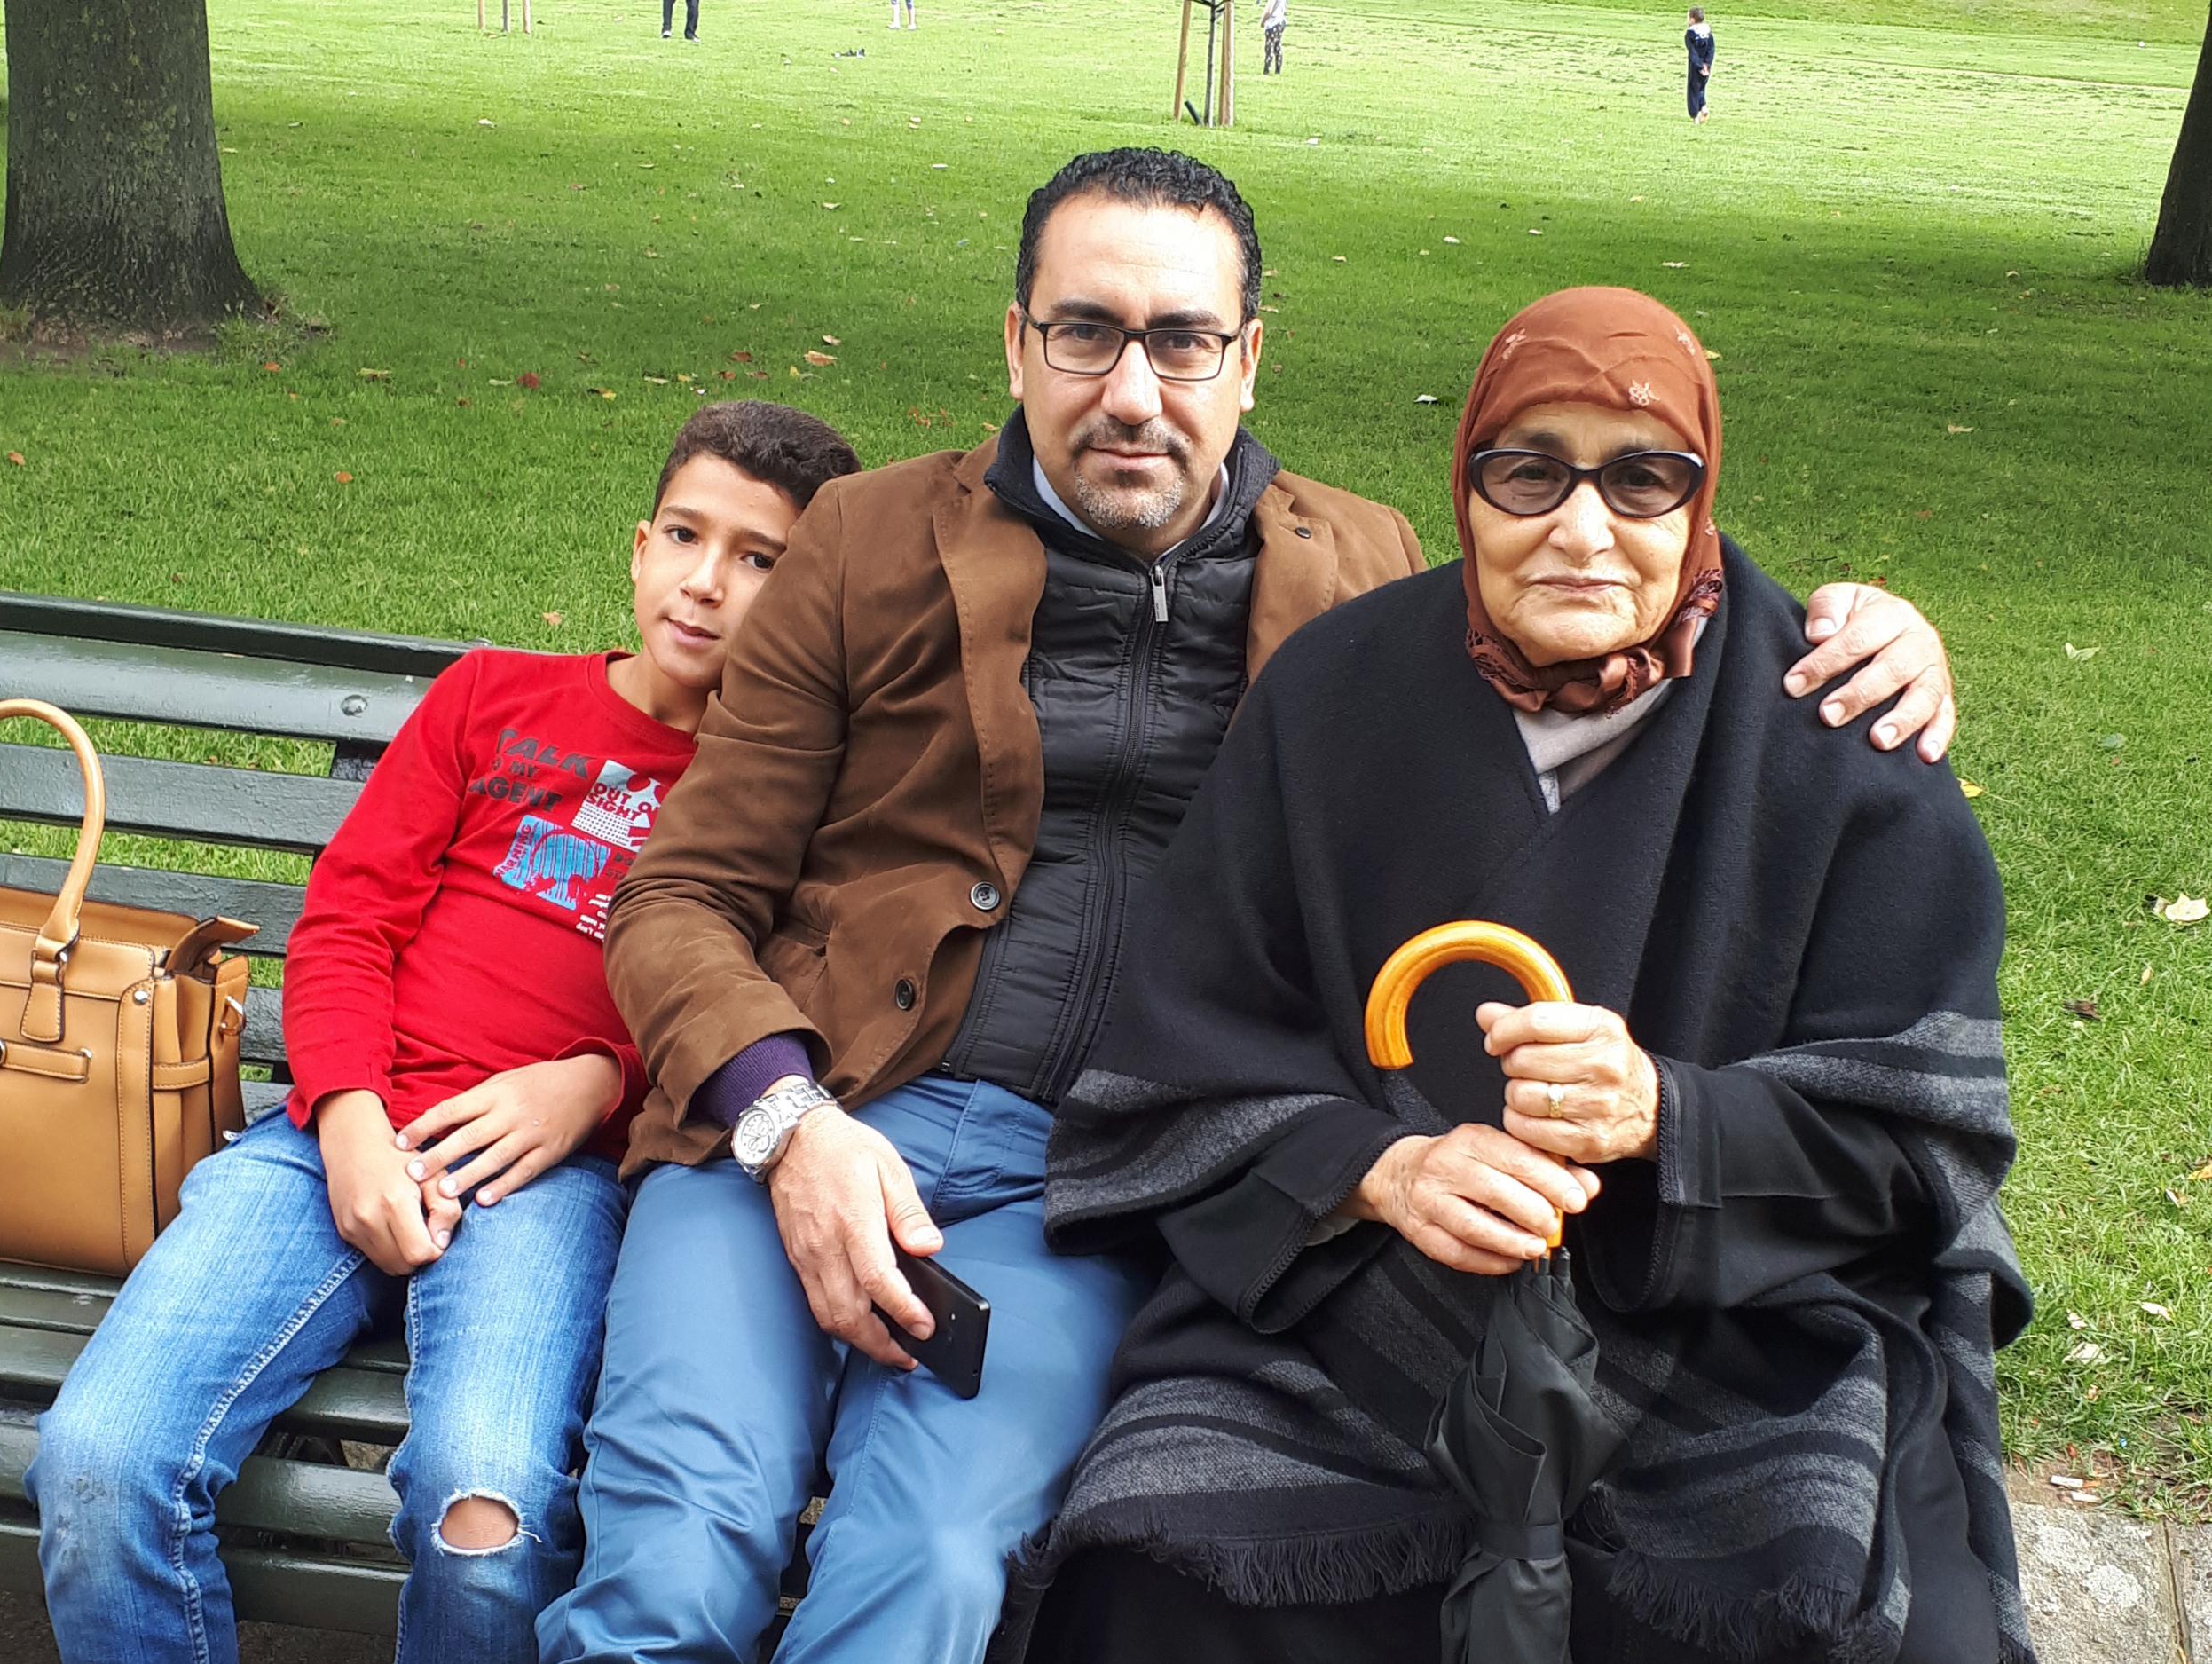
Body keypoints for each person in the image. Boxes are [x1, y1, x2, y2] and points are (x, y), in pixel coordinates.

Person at [535, 152, 1957, 1664]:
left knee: (936, 1568)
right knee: (674, 1558)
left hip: (1089, 1180)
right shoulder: (865, 543)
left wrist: (1855, 637)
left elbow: (1601, 607)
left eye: (1182, 340)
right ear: (1016, 343)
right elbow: (682, 893)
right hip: (793, 1122)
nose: (1133, 391)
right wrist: (785, 1123)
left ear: (1248, 357)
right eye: (1085, 334)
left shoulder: (1363, 578)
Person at [1013, 288, 2033, 1664]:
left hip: (1727, 1331)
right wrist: (1378, 1171)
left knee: (1882, 1620)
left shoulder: (1834, 718)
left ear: (1701, 497)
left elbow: (1922, 1139)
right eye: (1529, 470)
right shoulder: (1331, 697)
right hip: (1354, 1314)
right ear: (1469, 486)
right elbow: (1183, 1048)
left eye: (1643, 476)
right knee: (1161, 1573)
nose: (1583, 524)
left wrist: (1670, 1115)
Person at [25, 401, 859, 1664]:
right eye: (686, 534)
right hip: (328, 1141)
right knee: (101, 1458)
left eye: (762, 559)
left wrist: (595, 1084)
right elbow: (350, 919)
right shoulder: (496, 698)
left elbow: (773, 1019)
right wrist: (348, 1114)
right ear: (638, 547)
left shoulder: (794, 801)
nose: (706, 581)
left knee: (487, 1515)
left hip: (549, 1184)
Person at [1686, 6, 1715, 122]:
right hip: (1707, 66)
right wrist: (1707, 64)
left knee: (1693, 89)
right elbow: (1711, 49)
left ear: (1693, 19)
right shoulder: (1708, 32)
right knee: (1701, 88)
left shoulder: (1690, 34)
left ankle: (1695, 116)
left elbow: (1692, 51)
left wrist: (1699, 65)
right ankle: (1703, 108)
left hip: (1695, 66)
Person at [1261, 0, 1287, 75]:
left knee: (1269, 48)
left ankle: (1266, 70)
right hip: (1280, 22)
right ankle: (1278, 70)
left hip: (1272, 23)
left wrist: (1263, 21)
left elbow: (1268, 11)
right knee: (1278, 47)